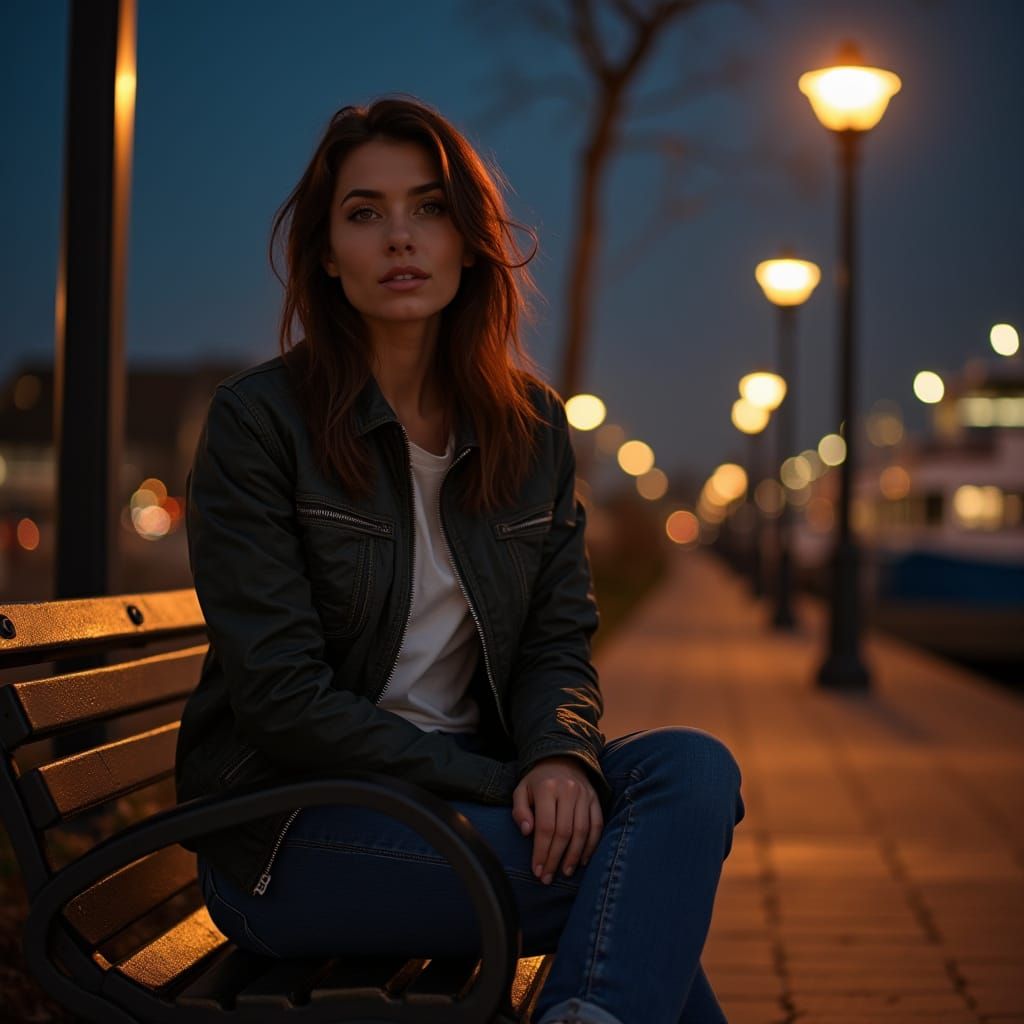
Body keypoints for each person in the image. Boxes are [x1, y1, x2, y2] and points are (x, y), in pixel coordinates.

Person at [175, 95, 745, 1024]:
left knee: (692, 771)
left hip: (459, 810)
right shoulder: (260, 425)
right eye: (365, 214)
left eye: (430, 207)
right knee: (638, 873)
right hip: (295, 831)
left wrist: (560, 752)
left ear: (469, 238)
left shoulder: (530, 428)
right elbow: (281, 698)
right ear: (327, 252)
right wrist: (509, 780)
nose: (400, 237)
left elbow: (558, 642)